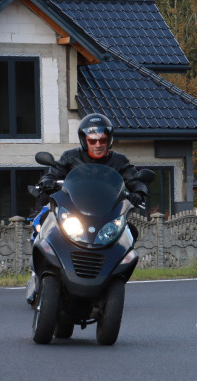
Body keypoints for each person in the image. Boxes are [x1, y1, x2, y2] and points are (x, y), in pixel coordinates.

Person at [25, 112, 150, 304]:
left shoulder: (119, 161)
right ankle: (36, 271)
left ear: (109, 140)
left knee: (131, 233)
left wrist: (139, 190)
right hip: (74, 211)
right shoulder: (70, 157)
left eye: (102, 140)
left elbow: (134, 178)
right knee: (41, 220)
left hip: (106, 215)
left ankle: (113, 279)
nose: (98, 144)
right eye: (93, 140)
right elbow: (54, 171)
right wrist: (48, 180)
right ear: (85, 140)